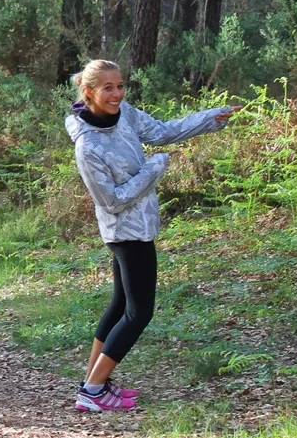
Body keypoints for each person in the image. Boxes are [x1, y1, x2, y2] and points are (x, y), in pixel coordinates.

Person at [65, 60, 241, 412]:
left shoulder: (126, 115)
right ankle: (93, 390)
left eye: (120, 86)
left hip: (141, 227)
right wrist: (155, 167)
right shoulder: (88, 148)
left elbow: (162, 132)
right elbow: (112, 201)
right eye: (108, 88)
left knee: (120, 305)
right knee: (138, 313)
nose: (117, 94)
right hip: (125, 234)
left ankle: (94, 382)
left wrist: (211, 118)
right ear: (89, 93)